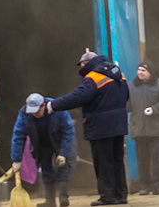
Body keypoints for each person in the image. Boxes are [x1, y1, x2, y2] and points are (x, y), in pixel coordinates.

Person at [50, 51, 129, 207]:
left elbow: (77, 97)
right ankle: (121, 195)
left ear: (87, 63)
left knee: (103, 162)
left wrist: (54, 105)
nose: (81, 68)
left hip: (100, 127)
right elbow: (126, 95)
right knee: (117, 160)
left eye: (82, 64)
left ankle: (107, 197)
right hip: (119, 124)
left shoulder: (93, 77)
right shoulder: (118, 73)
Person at [11, 93, 76, 207]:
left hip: (61, 139)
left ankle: (63, 198)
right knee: (46, 168)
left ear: (44, 105)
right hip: (42, 142)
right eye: (32, 111)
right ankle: (50, 201)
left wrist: (63, 153)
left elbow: (68, 131)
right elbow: (18, 136)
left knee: (64, 166)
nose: (34, 114)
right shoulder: (24, 114)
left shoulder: (58, 109)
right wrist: (16, 159)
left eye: (37, 110)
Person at [127, 61, 159, 195]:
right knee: (142, 160)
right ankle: (144, 187)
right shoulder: (131, 86)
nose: (140, 73)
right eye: (139, 70)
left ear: (150, 73)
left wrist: (154, 109)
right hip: (139, 129)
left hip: (157, 129)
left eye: (143, 71)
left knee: (158, 159)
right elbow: (127, 105)